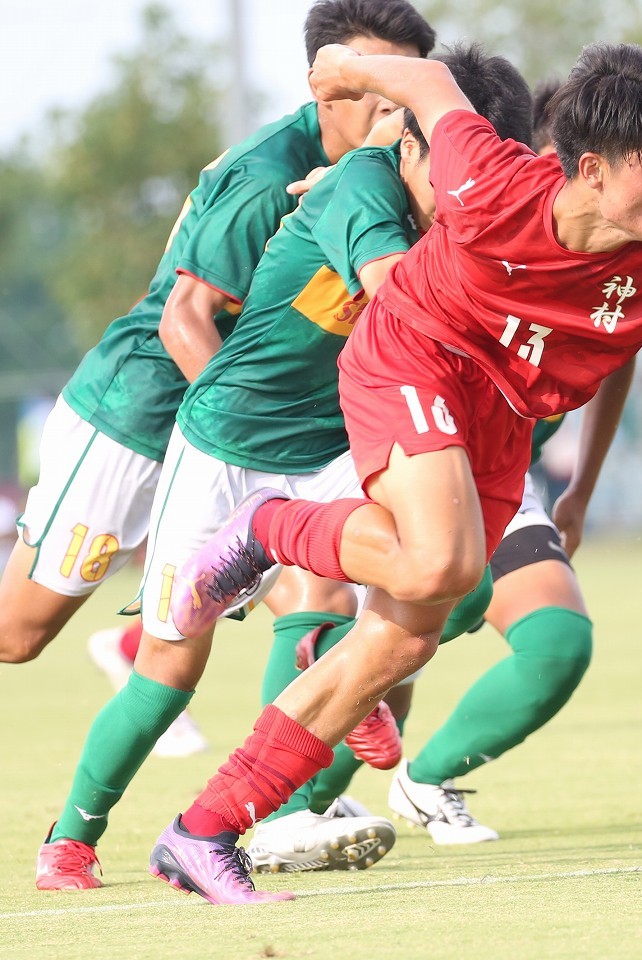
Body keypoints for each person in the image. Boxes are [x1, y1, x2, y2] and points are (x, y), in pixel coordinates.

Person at [148, 41, 642, 906]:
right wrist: (337, 65)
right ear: (590, 170)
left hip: (501, 418)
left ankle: (205, 831)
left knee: (402, 641)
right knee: (442, 566)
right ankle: (269, 527)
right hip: (413, 355)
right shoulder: (490, 179)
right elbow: (424, 77)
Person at [31, 0, 438, 893]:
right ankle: (68, 839)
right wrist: (246, 442)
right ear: (322, 87)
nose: (387, 109)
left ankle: (277, 807)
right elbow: (186, 319)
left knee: (386, 573)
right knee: (41, 639)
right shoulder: (269, 177)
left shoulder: (415, 168)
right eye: (366, 89)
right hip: (153, 408)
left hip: (313, 427)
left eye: (402, 89)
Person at [254, 83, 633, 850]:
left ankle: (424, 780)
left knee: (552, 640)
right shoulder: (488, 210)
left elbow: (619, 353)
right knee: (412, 614)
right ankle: (291, 807)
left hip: (502, 464)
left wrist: (582, 492)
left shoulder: (627, 243)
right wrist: (349, 182)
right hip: (412, 442)